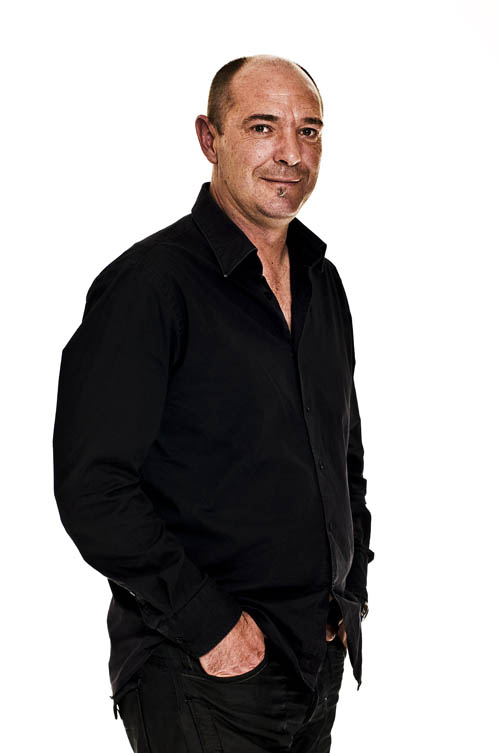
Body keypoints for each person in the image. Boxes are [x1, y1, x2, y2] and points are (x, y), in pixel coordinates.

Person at [52, 53, 374, 753]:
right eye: (262, 127)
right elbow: (93, 488)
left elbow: (340, 457)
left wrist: (349, 594)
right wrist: (214, 627)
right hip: (202, 670)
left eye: (309, 130)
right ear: (209, 138)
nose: (291, 153)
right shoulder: (149, 286)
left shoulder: (322, 284)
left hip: (313, 657)